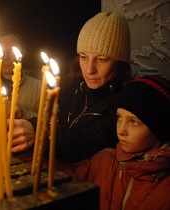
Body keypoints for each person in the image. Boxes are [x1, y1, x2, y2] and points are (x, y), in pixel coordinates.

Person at [10, 12, 135, 162]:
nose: (89, 70)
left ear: (119, 63)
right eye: (83, 57)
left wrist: (39, 131)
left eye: (101, 59)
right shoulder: (75, 90)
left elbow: (89, 142)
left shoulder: (126, 101)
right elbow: (60, 126)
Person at [56, 76, 170, 209]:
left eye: (133, 122)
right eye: (119, 118)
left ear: (159, 128)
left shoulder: (165, 189)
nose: (121, 130)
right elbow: (63, 173)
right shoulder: (105, 161)